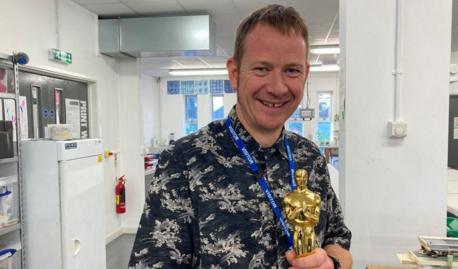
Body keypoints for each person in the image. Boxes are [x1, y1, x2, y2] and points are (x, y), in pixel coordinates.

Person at [129, 4, 352, 269]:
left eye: (291, 70)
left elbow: (338, 239)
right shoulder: (183, 161)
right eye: (262, 69)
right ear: (234, 73)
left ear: (305, 74)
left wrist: (332, 263)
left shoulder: (310, 157)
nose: (278, 88)